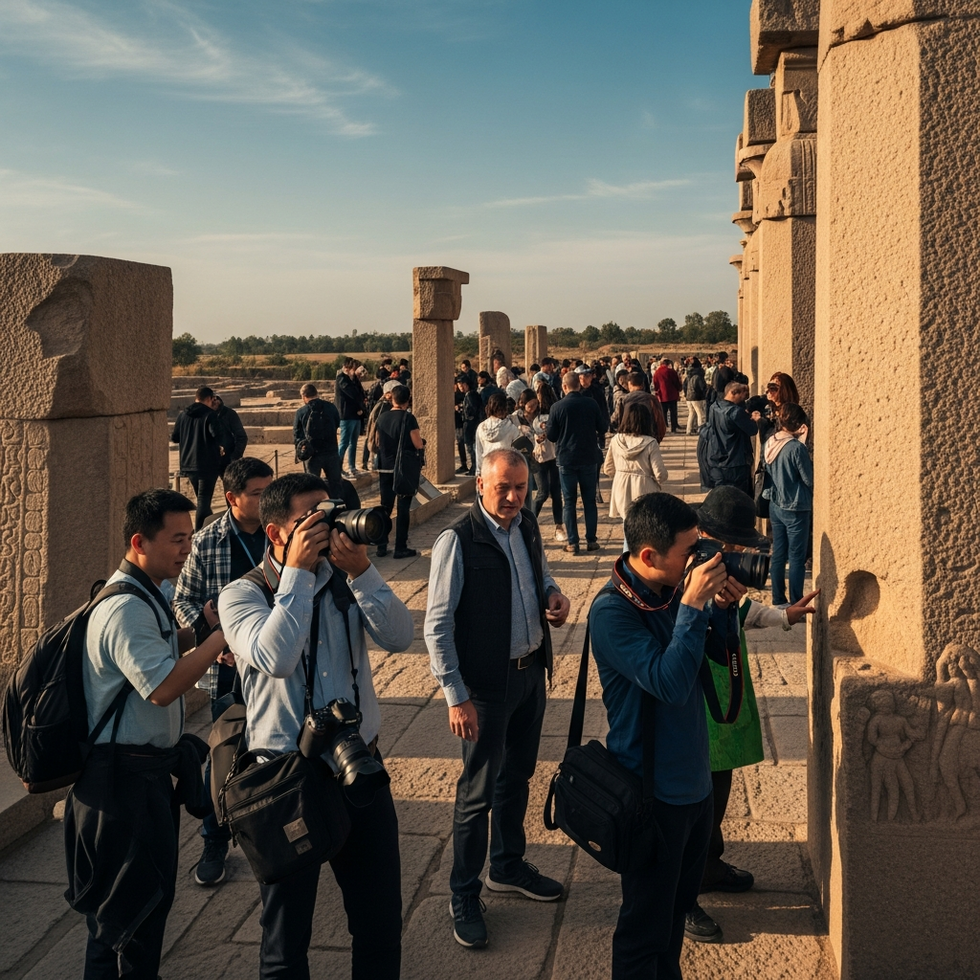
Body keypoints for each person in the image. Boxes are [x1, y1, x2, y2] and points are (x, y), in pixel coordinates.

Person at [218, 472, 413, 980]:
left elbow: (399, 637)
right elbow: (275, 657)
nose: (328, 528)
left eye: (331, 513)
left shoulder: (347, 581)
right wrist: (298, 576)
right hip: (288, 781)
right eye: (313, 519)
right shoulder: (242, 595)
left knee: (379, 924)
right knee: (285, 943)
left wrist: (365, 572)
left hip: (358, 767)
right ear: (277, 533)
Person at [65, 488, 230, 979]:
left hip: (142, 779)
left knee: (138, 909)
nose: (188, 549)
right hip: (123, 788)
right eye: (177, 539)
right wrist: (221, 639)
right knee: (126, 922)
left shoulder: (145, 592)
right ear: (139, 541)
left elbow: (156, 650)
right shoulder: (126, 608)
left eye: (191, 537)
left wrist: (196, 630)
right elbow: (160, 687)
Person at [424, 449, 572, 949]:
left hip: (530, 675)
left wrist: (553, 596)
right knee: (476, 795)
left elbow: (541, 574)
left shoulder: (526, 524)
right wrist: (455, 695)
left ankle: (506, 865)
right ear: (481, 486)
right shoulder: (457, 541)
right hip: (484, 690)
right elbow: (437, 627)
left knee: (519, 778)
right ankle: (463, 892)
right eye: (503, 488)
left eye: (521, 488)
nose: (512, 498)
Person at [590, 492, 732, 979]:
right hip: (653, 796)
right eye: (688, 551)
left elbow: (712, 655)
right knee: (643, 931)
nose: (698, 560)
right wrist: (693, 606)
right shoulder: (612, 613)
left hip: (695, 786)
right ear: (649, 556)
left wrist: (722, 609)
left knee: (673, 923)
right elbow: (669, 683)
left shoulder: (671, 590)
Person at [686, 486, 818, 941]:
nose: (738, 554)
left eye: (741, 546)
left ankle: (709, 862)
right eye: (732, 544)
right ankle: (684, 894)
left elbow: (744, 611)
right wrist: (706, 603)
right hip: (695, 699)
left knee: (718, 788)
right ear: (704, 534)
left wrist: (787, 615)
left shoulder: (719, 570)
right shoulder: (683, 568)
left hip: (727, 697)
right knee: (692, 797)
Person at [173, 456, 274, 886]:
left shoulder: (281, 533)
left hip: (276, 664)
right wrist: (212, 642)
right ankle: (213, 838)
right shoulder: (206, 541)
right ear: (232, 498)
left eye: (271, 489)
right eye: (258, 493)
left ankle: (278, 832)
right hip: (227, 674)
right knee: (225, 759)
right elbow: (182, 601)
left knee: (278, 755)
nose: (268, 499)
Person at [546, 371, 607, 554]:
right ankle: (591, 540)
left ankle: (572, 542)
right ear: (579, 385)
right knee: (589, 500)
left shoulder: (557, 407)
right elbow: (603, 427)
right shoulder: (591, 403)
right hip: (588, 457)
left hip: (566, 458)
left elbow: (551, 435)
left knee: (569, 501)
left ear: (564, 387)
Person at [763, 403, 813, 606]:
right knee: (796, 556)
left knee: (778, 552)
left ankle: (777, 598)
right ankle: (796, 601)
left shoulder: (771, 442)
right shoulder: (796, 448)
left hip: (775, 503)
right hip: (796, 505)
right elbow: (809, 479)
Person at [374, 384, 423, 559]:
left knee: (385, 507)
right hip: (403, 469)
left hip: (384, 467)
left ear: (392, 399)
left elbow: (378, 442)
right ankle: (400, 547)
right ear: (408, 400)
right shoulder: (409, 418)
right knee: (403, 509)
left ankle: (381, 545)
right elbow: (417, 443)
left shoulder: (382, 418)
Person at [603, 402, 668, 528]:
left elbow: (608, 468)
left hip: (621, 485)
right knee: (645, 528)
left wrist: (620, 475)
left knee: (628, 525)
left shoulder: (616, 440)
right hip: (644, 486)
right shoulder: (650, 443)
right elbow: (660, 473)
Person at [171, 386, 225, 531]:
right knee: (203, 500)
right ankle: (199, 531)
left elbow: (175, 437)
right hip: (207, 463)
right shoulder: (210, 414)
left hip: (188, 463)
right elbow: (218, 435)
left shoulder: (183, 415)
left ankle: (209, 525)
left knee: (202, 499)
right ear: (209, 399)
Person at [698, 382, 758, 497]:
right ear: (733, 393)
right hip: (735, 462)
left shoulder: (714, 407)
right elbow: (752, 430)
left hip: (717, 460)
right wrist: (754, 419)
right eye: (741, 395)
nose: (743, 399)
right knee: (739, 498)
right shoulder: (735, 412)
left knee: (722, 498)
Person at [293, 382, 343, 496]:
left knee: (312, 486)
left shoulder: (301, 412)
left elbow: (297, 434)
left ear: (304, 396)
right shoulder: (331, 407)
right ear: (316, 393)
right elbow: (337, 423)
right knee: (336, 484)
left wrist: (301, 449)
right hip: (331, 451)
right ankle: (339, 507)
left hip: (312, 453)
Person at [530, 383, 565, 541]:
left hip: (548, 455)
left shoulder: (543, 415)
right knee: (546, 492)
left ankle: (558, 525)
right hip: (544, 456)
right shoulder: (550, 413)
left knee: (552, 493)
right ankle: (531, 522)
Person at [474, 391, 521, 476]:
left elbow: (479, 452)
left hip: (488, 468)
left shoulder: (481, 427)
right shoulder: (511, 427)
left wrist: (479, 472)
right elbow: (518, 452)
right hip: (506, 469)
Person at [335, 357, 367, 477]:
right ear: (347, 368)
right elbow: (352, 394)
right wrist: (358, 407)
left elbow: (361, 393)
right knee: (344, 443)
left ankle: (352, 467)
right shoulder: (342, 379)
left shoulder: (353, 379)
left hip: (356, 415)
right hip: (347, 415)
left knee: (354, 442)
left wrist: (355, 378)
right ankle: (337, 469)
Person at [615, 372, 667, 443]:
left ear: (629, 384)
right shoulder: (652, 399)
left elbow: (616, 419)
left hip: (627, 440)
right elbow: (660, 423)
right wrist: (656, 440)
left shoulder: (623, 400)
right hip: (649, 438)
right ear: (643, 384)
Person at [214, 395, 248, 481]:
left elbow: (241, 437)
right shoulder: (205, 414)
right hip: (210, 460)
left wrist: (234, 457)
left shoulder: (230, 414)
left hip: (227, 459)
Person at [653, 358, 684, 433]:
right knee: (673, 412)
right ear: (668, 364)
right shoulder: (671, 371)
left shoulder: (657, 372)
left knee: (663, 412)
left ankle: (664, 426)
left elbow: (655, 384)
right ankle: (674, 427)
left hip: (662, 395)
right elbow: (676, 382)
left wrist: (657, 391)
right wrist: (679, 388)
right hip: (672, 394)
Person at [683, 357, 709, 435]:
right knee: (701, 414)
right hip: (697, 397)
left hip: (689, 397)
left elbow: (684, 386)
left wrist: (686, 394)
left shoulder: (688, 375)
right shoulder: (699, 376)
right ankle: (701, 430)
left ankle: (689, 430)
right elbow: (702, 387)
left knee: (691, 413)